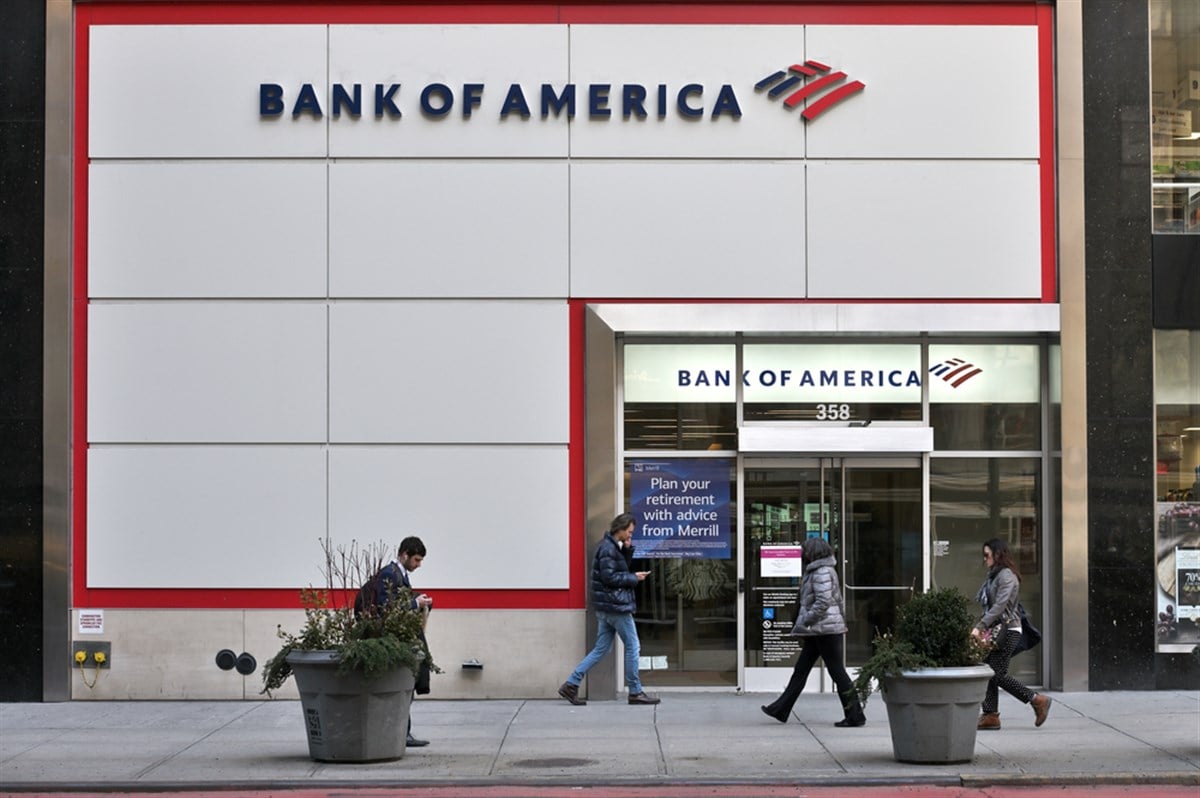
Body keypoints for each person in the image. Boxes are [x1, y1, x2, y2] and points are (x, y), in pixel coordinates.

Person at [760, 536, 866, 728]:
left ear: (812, 553)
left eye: (805, 550)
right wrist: (841, 620)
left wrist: (807, 620)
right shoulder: (821, 570)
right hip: (821, 629)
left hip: (823, 629)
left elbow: (823, 602)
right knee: (801, 670)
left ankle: (855, 715)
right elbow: (838, 600)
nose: (802, 554)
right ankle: (780, 709)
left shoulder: (821, 572)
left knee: (836, 672)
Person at [557, 512, 660, 706]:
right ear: (619, 529)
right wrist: (634, 578)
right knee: (633, 646)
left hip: (608, 606)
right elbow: (610, 578)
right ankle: (635, 692)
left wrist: (628, 551)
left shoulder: (612, 547)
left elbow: (617, 570)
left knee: (601, 649)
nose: (630, 535)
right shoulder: (607, 549)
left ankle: (571, 683)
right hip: (616, 607)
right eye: (629, 532)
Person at [357, 536, 434, 747]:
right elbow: (386, 607)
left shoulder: (397, 574)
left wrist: (418, 601)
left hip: (393, 636)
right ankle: (402, 733)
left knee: (404, 684)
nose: (418, 565)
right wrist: (414, 603)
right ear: (404, 554)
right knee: (402, 684)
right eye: (416, 560)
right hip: (389, 638)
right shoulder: (390, 574)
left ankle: (403, 732)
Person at [971, 537, 1050, 731]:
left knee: (996, 673)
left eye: (987, 555)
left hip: (1008, 630)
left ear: (998, 555)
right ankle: (990, 715)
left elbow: (1000, 606)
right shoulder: (994, 575)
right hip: (997, 630)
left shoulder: (1006, 576)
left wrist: (980, 626)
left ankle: (1037, 700)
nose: (985, 559)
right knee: (990, 670)